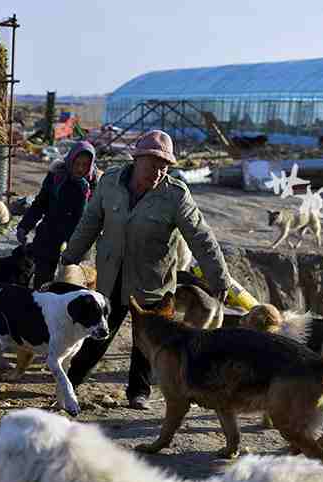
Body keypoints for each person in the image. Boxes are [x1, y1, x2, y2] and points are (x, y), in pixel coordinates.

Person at [59, 130, 230, 410]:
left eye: (164, 166)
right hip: (112, 274)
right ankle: (71, 381)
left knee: (148, 341)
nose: (159, 171)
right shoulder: (110, 183)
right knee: (98, 330)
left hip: (153, 279)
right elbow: (90, 222)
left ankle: (139, 392)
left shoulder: (175, 195)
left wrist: (218, 277)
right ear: (136, 159)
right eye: (153, 164)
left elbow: (201, 237)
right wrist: (71, 255)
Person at [16, 141, 97, 289]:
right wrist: (24, 226)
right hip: (49, 237)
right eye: (77, 163)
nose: (80, 168)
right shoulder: (56, 176)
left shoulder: (94, 184)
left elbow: (93, 217)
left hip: (77, 242)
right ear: (70, 160)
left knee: (71, 285)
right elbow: (40, 203)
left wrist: (84, 195)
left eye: (85, 165)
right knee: (42, 285)